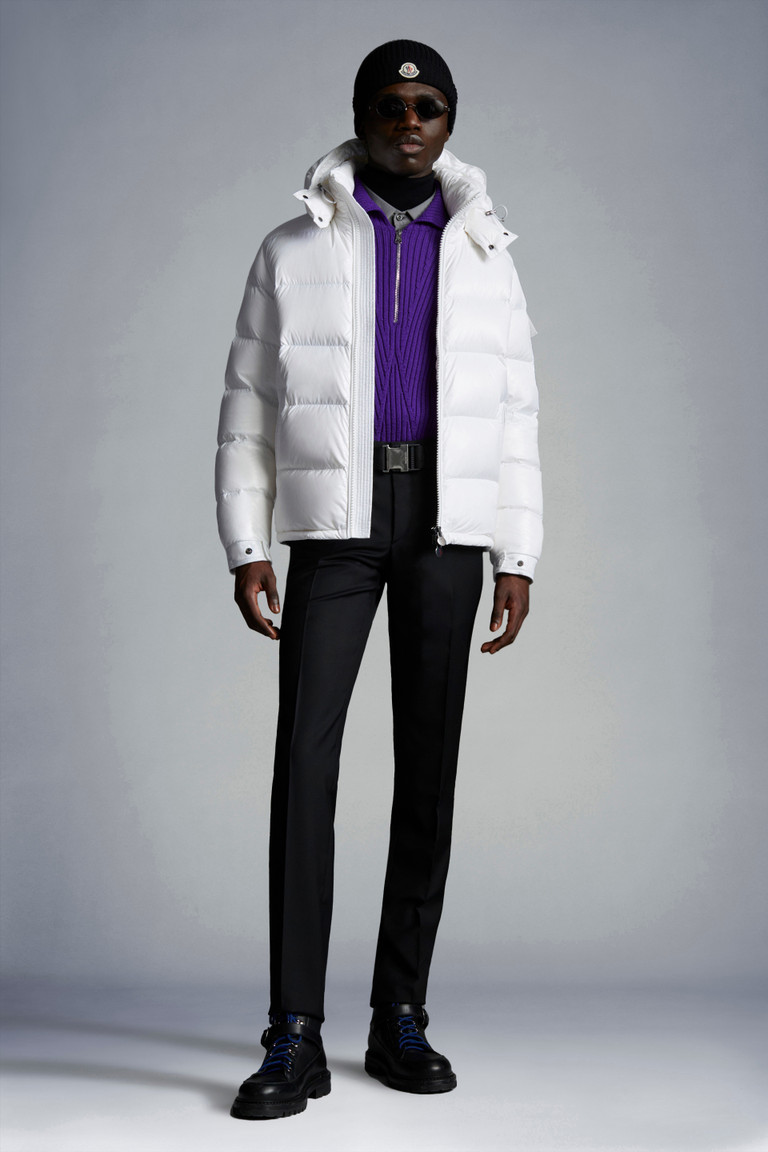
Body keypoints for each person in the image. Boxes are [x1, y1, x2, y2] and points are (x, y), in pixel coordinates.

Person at [215, 39, 542, 1120]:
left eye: (429, 106)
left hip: (446, 528)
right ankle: (293, 1032)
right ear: (361, 116)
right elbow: (248, 405)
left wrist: (517, 551)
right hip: (335, 530)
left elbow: (516, 412)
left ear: (450, 121)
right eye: (392, 105)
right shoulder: (293, 246)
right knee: (304, 767)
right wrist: (247, 543)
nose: (411, 122)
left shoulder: (487, 251)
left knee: (428, 768)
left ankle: (399, 1013)